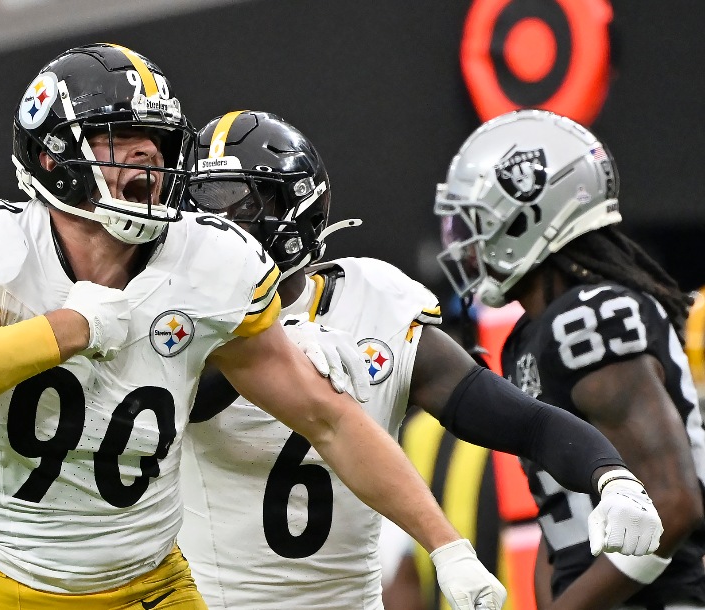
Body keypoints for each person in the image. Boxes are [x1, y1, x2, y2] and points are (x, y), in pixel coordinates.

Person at [0, 43, 506, 610]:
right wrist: (69, 328)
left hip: (147, 585)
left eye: (155, 139)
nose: (147, 156)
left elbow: (329, 417)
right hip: (1, 579)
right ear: (53, 157)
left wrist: (447, 545)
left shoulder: (210, 262)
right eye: (121, 137)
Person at [176, 110, 662, 610]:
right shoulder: (177, 309)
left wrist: (610, 474)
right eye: (200, 207)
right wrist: (271, 345)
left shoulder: (374, 301)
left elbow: (516, 419)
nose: (218, 226)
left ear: (299, 206)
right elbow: (187, 401)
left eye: (240, 203)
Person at [435, 108, 705, 608]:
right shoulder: (529, 335)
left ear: (525, 215)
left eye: (476, 222)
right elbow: (561, 521)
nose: (464, 244)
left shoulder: (591, 317)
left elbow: (674, 503)